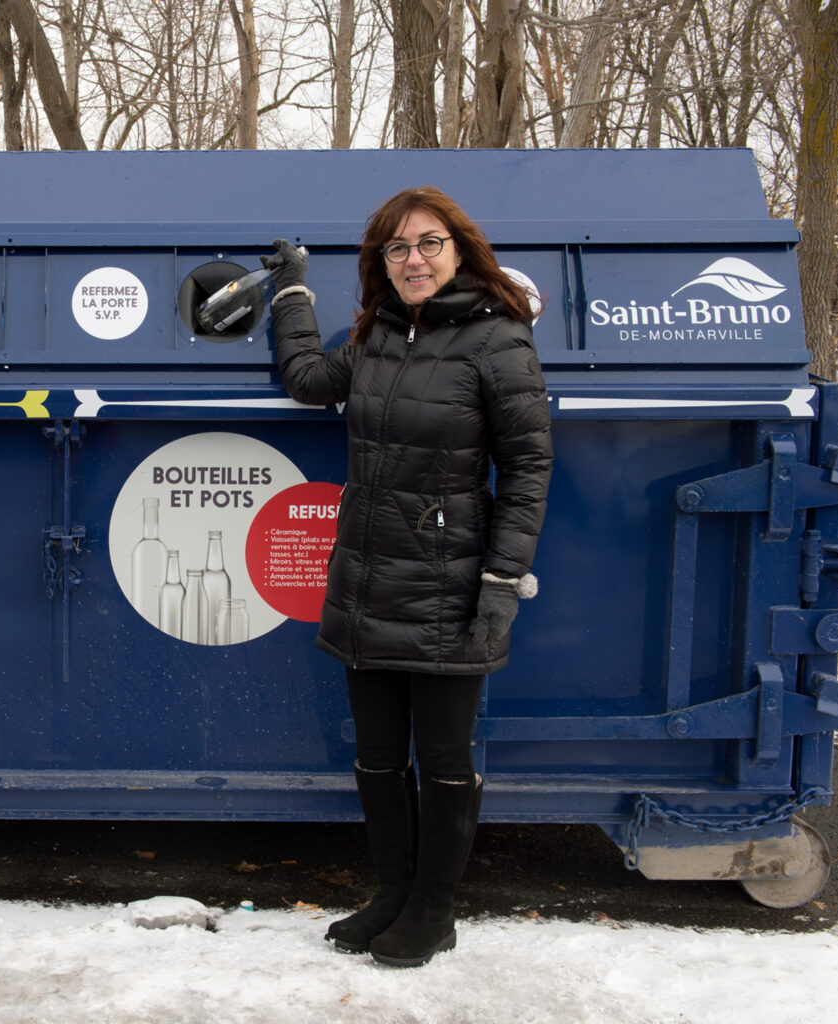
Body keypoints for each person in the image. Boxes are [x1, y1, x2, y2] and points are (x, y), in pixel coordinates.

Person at [263, 187, 552, 968]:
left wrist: (502, 581)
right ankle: (392, 894)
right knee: (379, 755)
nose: (413, 259)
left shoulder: (498, 339)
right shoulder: (379, 335)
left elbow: (528, 467)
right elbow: (308, 380)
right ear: (381, 263)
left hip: (448, 585)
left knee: (445, 759)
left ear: (459, 250)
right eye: (397, 247)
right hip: (366, 578)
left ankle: (434, 910)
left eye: (428, 243)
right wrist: (291, 292)